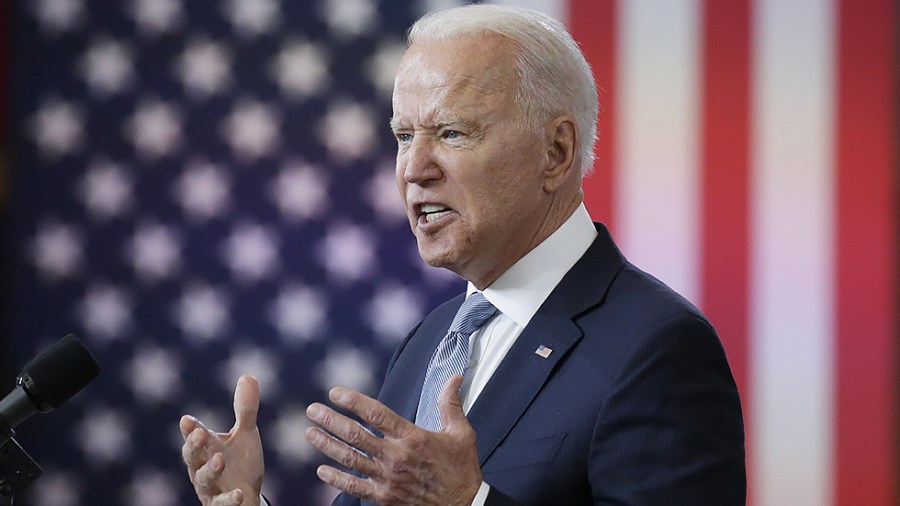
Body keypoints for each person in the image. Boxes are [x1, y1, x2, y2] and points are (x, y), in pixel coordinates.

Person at [179, 4, 746, 506]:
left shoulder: (657, 348)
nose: (413, 170)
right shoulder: (433, 338)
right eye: (404, 136)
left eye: (451, 133)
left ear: (556, 151)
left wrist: (466, 504)